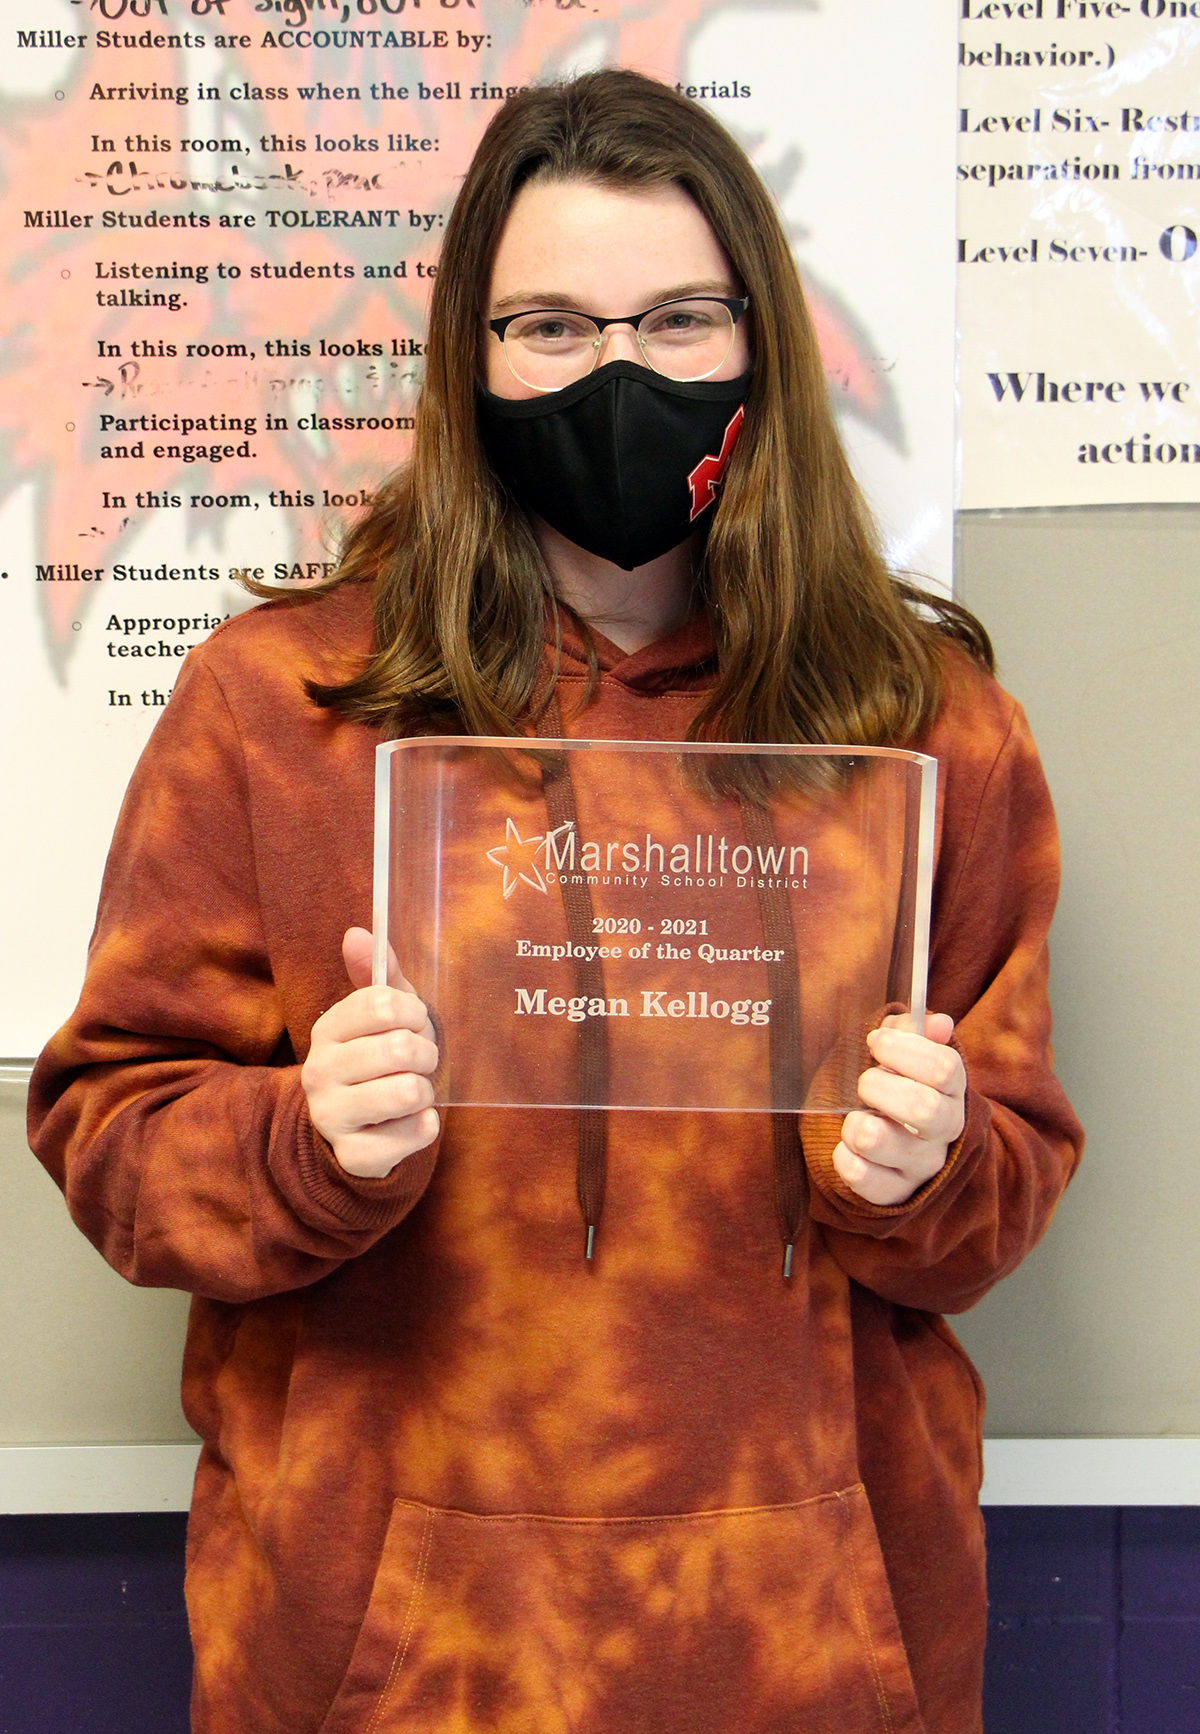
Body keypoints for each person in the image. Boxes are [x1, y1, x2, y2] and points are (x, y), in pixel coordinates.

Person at [29, 69, 1082, 1734]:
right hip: (395, 1669)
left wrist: (928, 1167)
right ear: (471, 358)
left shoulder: (926, 726)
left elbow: (1007, 1185)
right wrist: (305, 1140)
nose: (616, 374)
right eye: (550, 327)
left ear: (761, 346)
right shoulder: (281, 704)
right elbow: (112, 1133)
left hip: (813, 1653)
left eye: (678, 321)